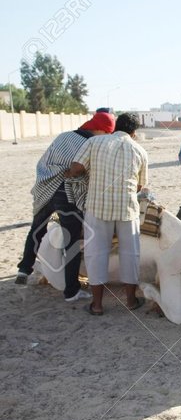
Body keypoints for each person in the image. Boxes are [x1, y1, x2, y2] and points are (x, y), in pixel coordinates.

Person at [15, 111, 115, 303]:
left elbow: (43, 161)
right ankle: (71, 291)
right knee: (72, 241)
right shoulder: (90, 144)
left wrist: (49, 178)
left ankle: (24, 268)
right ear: (101, 129)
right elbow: (86, 172)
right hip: (67, 194)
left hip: (45, 188)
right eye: (107, 133)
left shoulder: (63, 136)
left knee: (37, 229)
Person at [66, 113, 149, 316]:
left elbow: (76, 168)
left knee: (96, 254)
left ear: (115, 127)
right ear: (134, 132)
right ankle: (130, 301)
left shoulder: (95, 142)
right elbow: (140, 185)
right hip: (127, 210)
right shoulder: (140, 150)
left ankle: (97, 305)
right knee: (130, 255)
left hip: (97, 208)